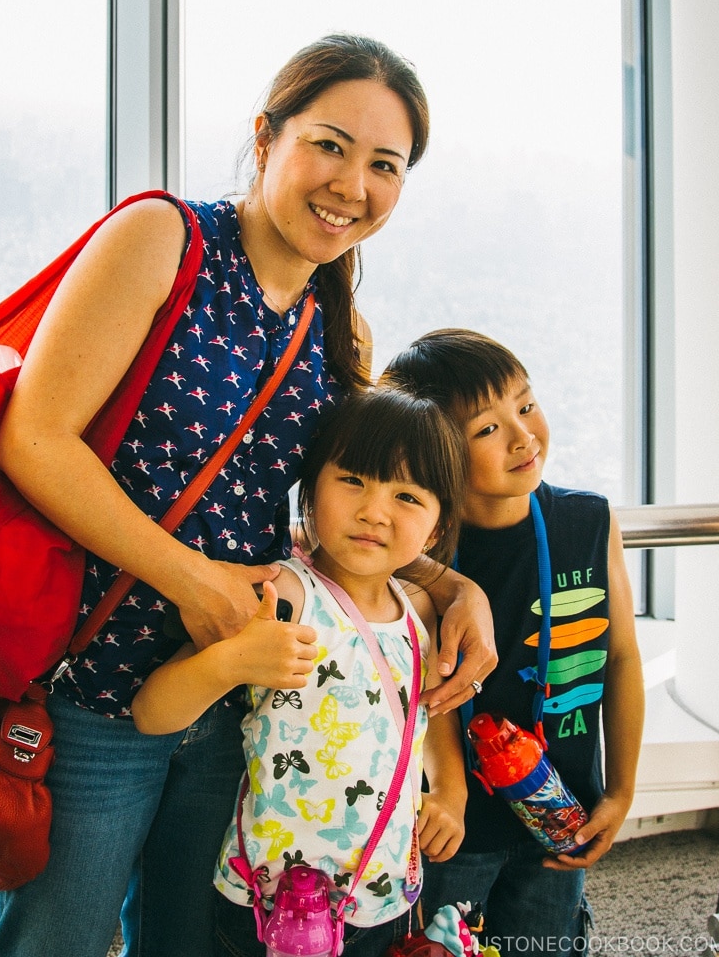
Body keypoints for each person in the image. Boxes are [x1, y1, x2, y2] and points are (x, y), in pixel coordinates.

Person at [0, 35, 497, 957]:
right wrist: (193, 580)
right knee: (54, 941)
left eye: (385, 165)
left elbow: (343, 515)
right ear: (266, 138)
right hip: (95, 686)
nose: (352, 185)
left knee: (188, 943)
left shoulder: (337, 322)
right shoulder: (163, 239)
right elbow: (33, 437)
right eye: (330, 145)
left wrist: (455, 589)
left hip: (242, 705)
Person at [132, 386, 470, 957]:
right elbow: (152, 712)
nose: (374, 511)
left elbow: (425, 713)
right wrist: (230, 661)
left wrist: (451, 794)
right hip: (266, 900)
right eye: (353, 480)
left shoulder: (418, 614)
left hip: (377, 889)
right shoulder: (282, 594)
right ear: (309, 490)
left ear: (435, 530)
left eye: (408, 496)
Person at [382, 328, 645, 956]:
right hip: (452, 827)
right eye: (486, 429)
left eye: (525, 406)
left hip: (559, 815)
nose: (523, 435)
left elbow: (623, 657)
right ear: (439, 453)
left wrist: (621, 791)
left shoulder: (587, 519)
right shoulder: (418, 556)